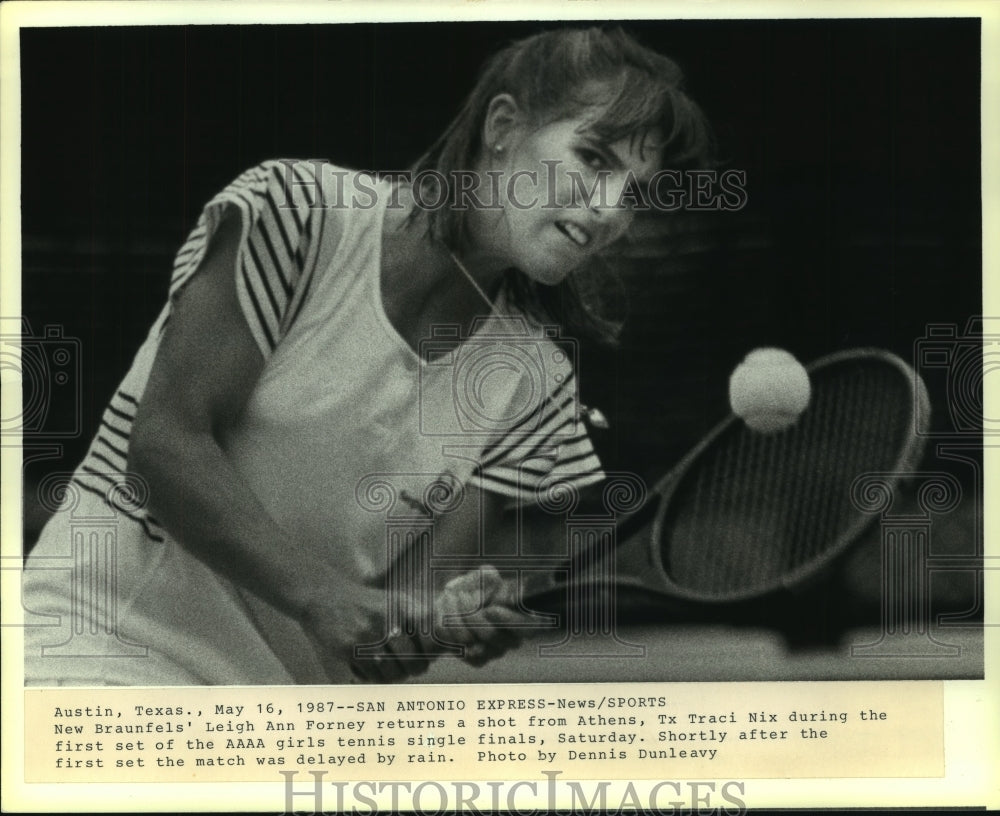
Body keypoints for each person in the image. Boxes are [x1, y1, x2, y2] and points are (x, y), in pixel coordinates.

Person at [22, 26, 713, 685]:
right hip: (103, 645)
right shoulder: (296, 213)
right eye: (594, 159)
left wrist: (439, 622)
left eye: (636, 192)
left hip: (289, 719)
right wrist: (322, 597)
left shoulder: (537, 382)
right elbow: (166, 444)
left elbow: (383, 640)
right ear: (503, 128)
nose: (608, 211)